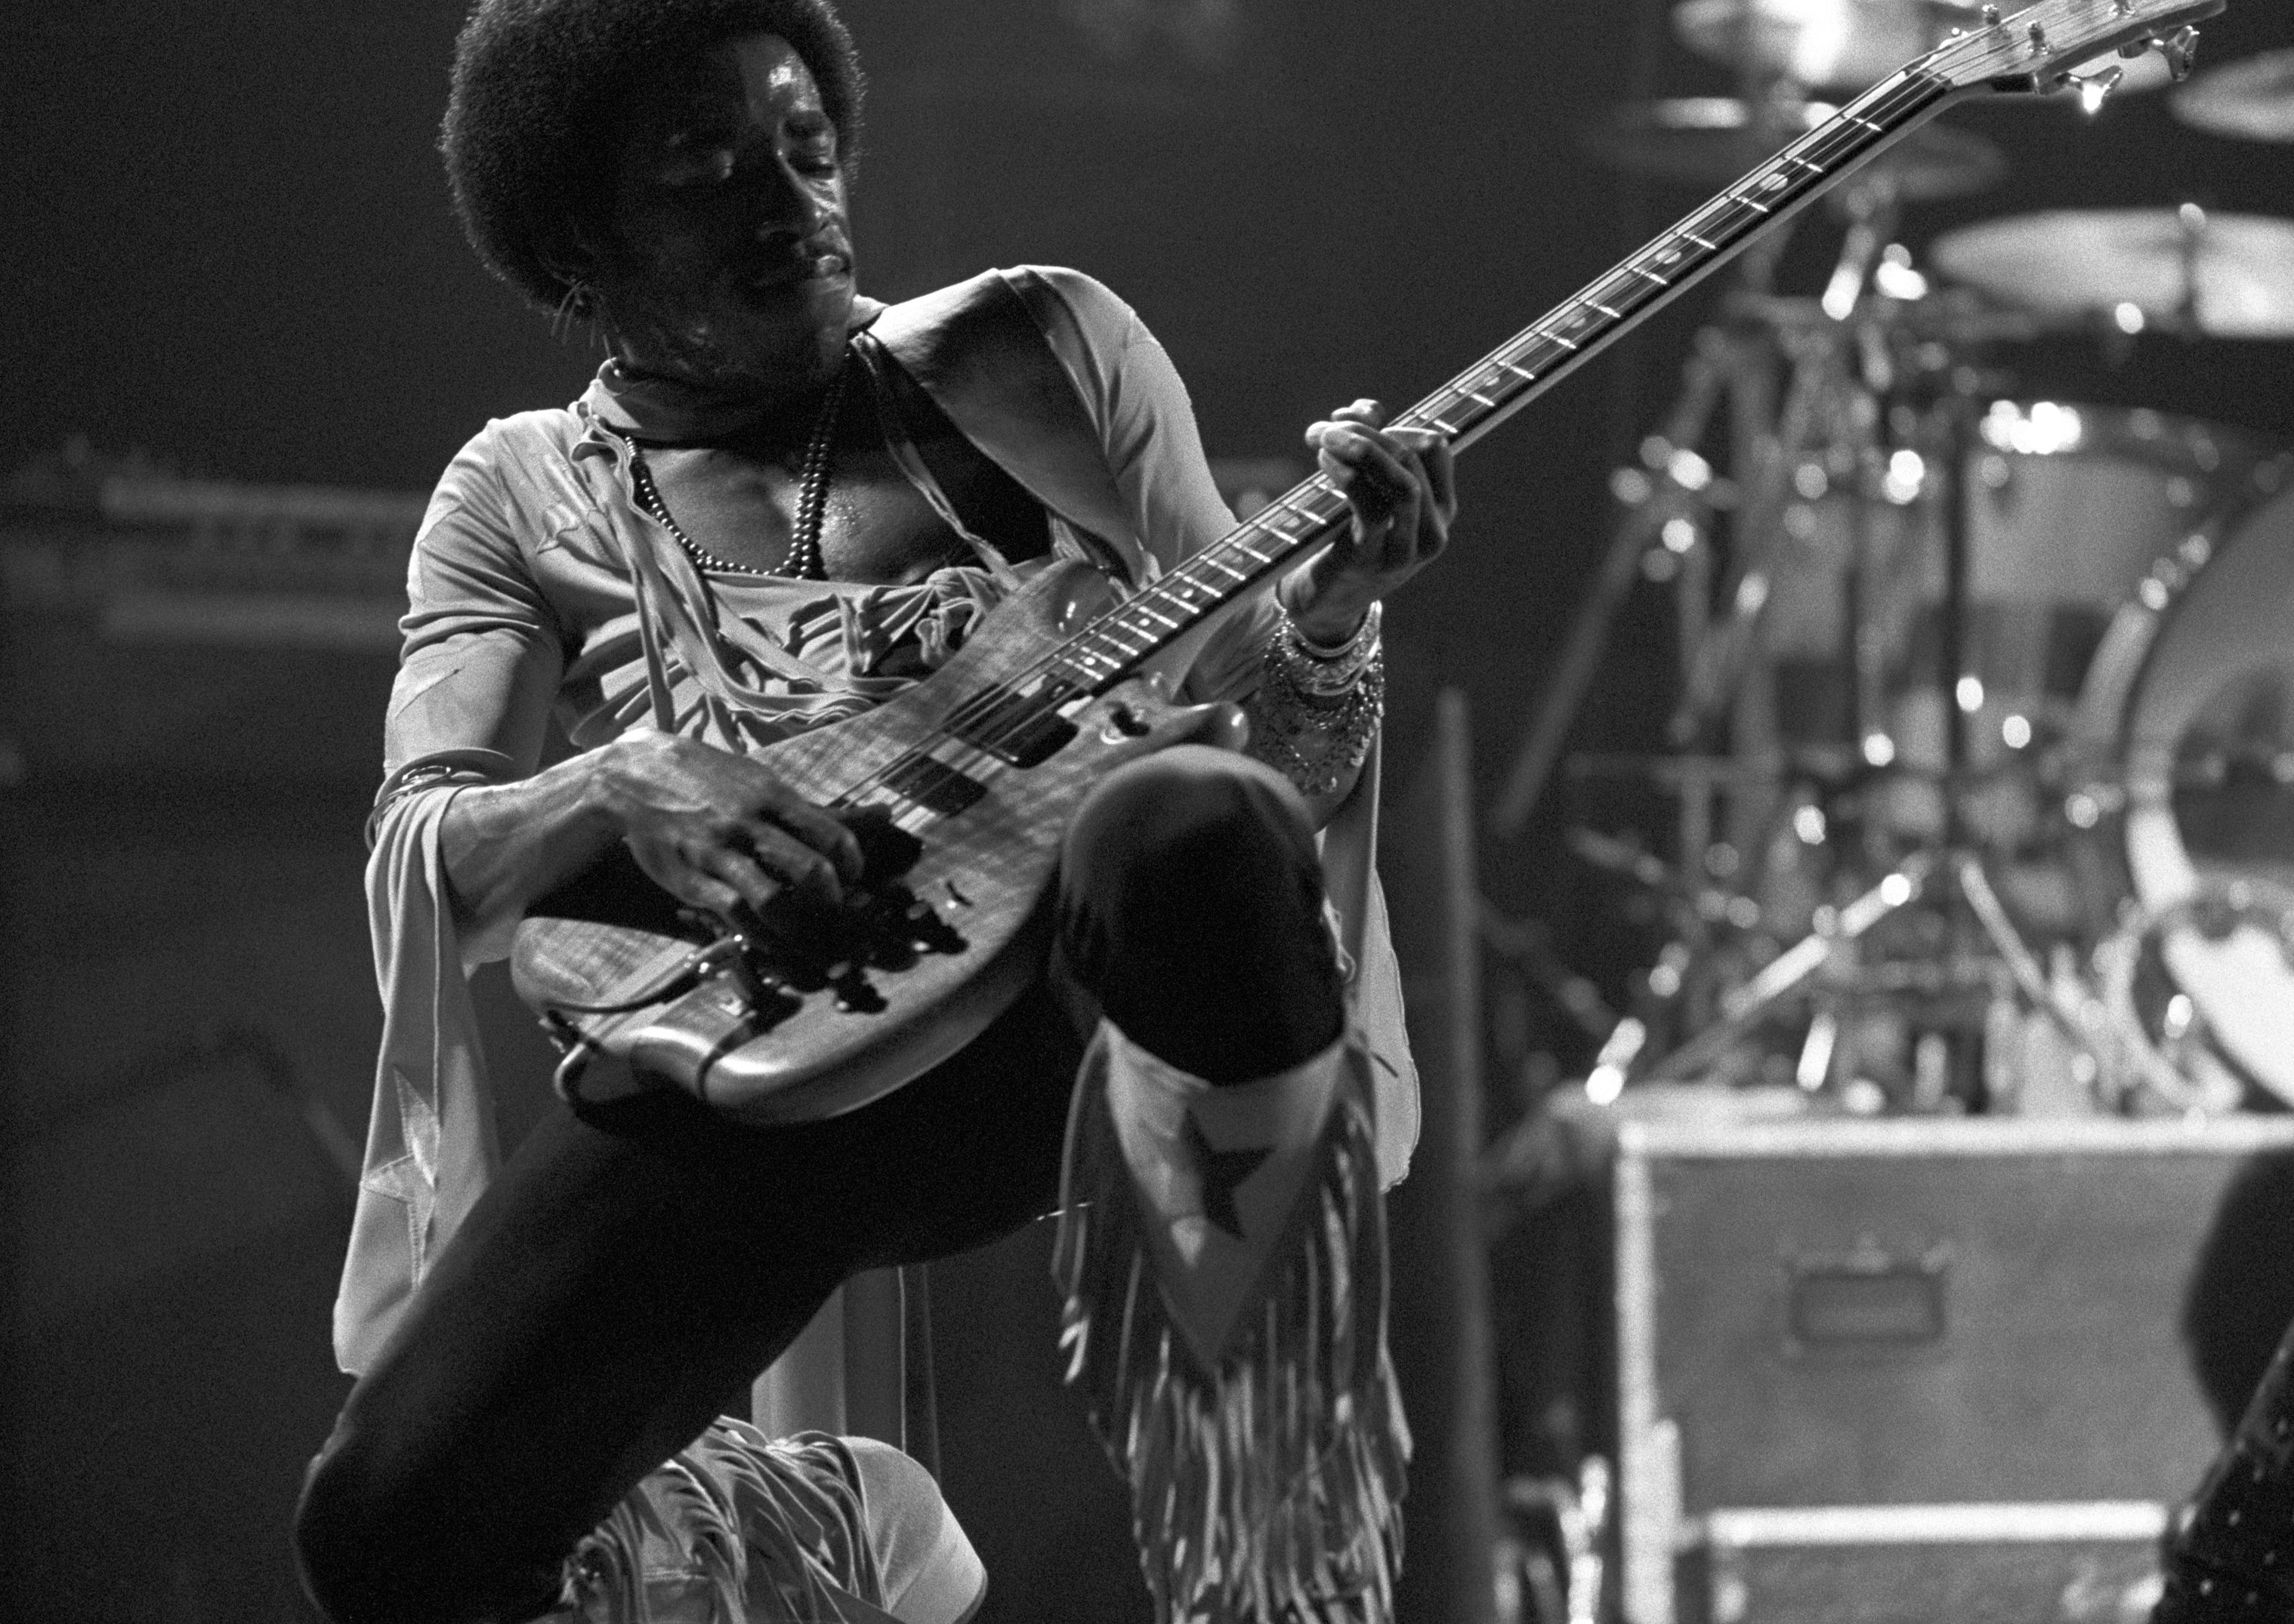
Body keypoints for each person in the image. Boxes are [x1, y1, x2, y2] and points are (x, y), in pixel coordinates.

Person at [292, 2, 1453, 1620]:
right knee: (382, 1528)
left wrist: (1330, 624)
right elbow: (427, 848)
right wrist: (617, 785)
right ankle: (802, 1526)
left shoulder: (1039, 352)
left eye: (807, 148)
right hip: (761, 1060)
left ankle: (1279, 1568)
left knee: (1188, 817)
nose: (788, 202)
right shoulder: (520, 492)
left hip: (1063, 1009)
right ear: (579, 236)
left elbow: (1283, 771)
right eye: (704, 167)